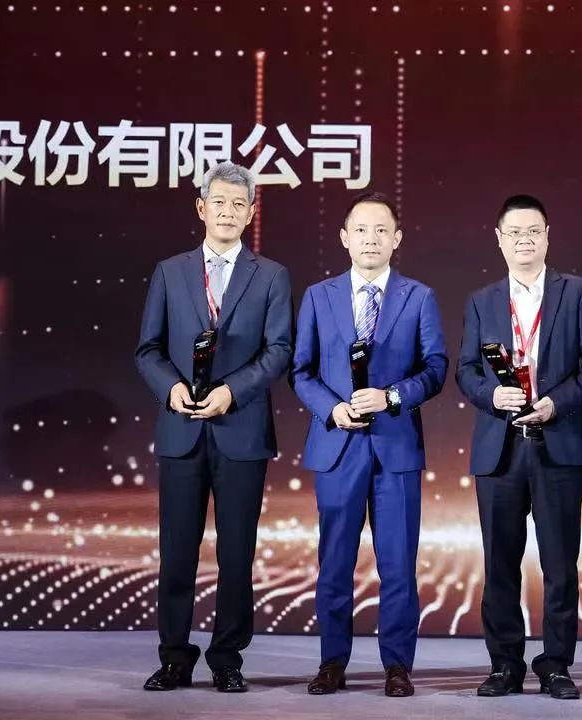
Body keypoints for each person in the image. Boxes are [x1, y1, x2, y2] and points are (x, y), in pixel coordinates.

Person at [135, 161, 293, 693]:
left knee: (236, 553)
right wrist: (171, 389)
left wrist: (232, 391)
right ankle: (174, 658)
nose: (227, 212)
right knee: (177, 551)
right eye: (218, 202)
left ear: (250, 213)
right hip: (181, 428)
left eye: (238, 204)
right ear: (201, 208)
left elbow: (279, 351)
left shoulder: (271, 275)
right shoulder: (169, 271)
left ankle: (227, 658)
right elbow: (148, 350)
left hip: (241, 429)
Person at [293, 191, 447, 698]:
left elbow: (435, 369)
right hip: (338, 445)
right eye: (361, 230)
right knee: (335, 562)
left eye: (382, 230)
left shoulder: (418, 297)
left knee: (398, 564)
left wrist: (392, 397)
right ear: (344, 238)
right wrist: (331, 409)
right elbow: (301, 371)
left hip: (395, 448)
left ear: (397, 239)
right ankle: (331, 662)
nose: (371, 239)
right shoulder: (319, 296)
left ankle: (397, 665)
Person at [456, 194, 582, 700]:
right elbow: (466, 370)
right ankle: (504, 665)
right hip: (500, 448)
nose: (524, 240)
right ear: (499, 240)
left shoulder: (577, 291)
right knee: (499, 563)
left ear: (547, 237)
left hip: (557, 440)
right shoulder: (481, 300)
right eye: (515, 232)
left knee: (560, 564)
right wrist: (491, 395)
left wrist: (555, 402)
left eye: (533, 231)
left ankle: (557, 664)